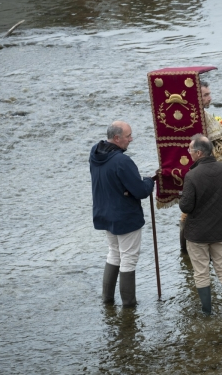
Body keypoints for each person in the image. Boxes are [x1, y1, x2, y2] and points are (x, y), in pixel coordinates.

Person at [89, 121, 155, 307]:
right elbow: (141, 191)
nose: (131, 139)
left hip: (104, 213)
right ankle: (129, 304)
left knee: (114, 254)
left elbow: (112, 181)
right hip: (124, 216)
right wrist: (149, 181)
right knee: (129, 258)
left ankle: (107, 299)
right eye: (128, 136)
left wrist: (125, 189)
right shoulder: (122, 161)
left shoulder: (95, 152)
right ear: (116, 138)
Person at [179, 134, 222, 315]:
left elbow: (186, 206)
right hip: (220, 230)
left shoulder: (192, 175)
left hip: (197, 234)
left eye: (190, 150)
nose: (189, 153)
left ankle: (207, 313)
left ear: (198, 153)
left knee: (201, 273)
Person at [178, 81, 222, 253]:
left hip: (183, 169)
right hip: (202, 173)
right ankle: (197, 251)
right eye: (205, 95)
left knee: (188, 212)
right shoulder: (201, 116)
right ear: (196, 97)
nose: (210, 98)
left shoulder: (183, 115)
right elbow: (220, 136)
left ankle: (185, 255)